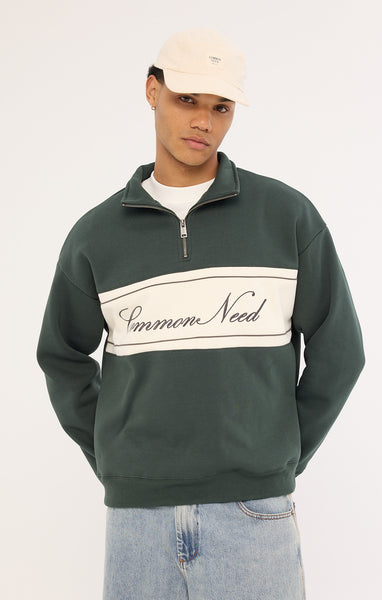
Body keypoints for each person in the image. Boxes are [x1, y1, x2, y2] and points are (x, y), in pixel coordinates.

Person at [36, 27, 365, 600]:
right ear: (152, 91)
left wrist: (276, 455)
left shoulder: (286, 218)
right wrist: (117, 456)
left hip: (254, 514)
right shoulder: (95, 237)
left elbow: (340, 353)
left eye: (220, 107)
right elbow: (62, 356)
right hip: (138, 521)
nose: (203, 122)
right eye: (186, 99)